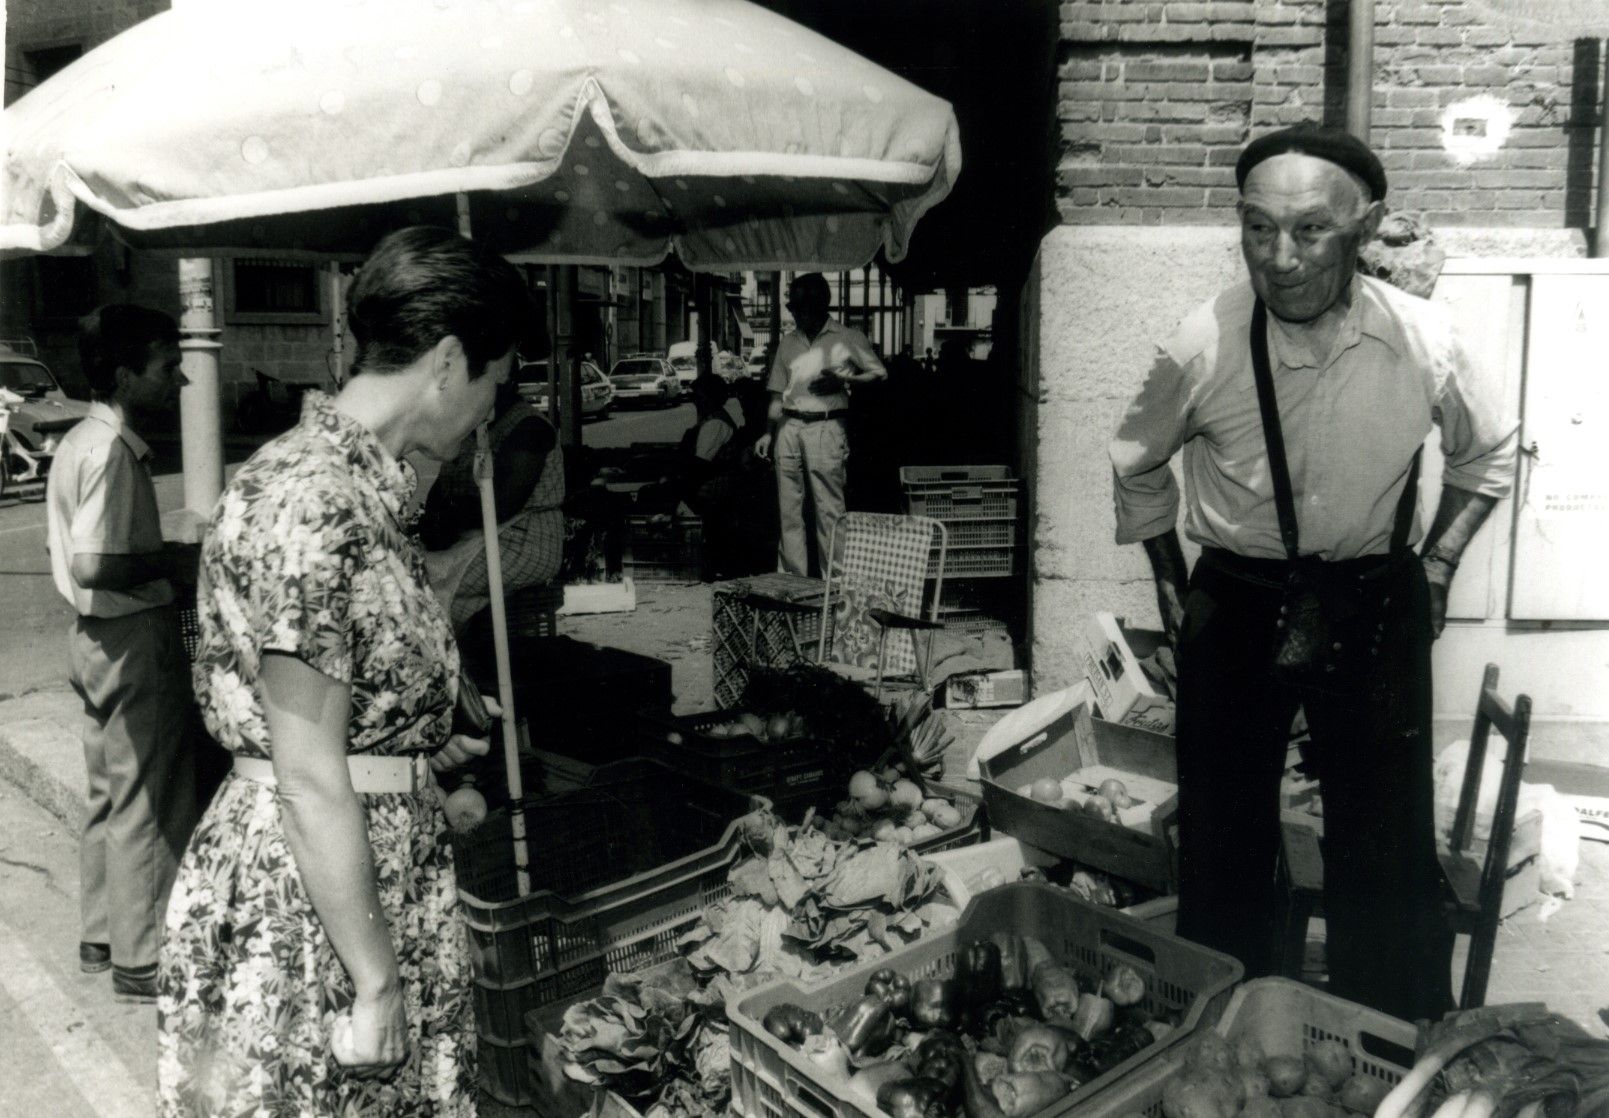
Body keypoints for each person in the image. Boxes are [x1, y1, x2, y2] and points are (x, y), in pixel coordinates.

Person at [1109, 124, 1517, 1022]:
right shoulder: (1200, 341)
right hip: (1238, 596)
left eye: (1310, 231)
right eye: (1257, 230)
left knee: (1383, 837)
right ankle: (1221, 1023)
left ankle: (1387, 1034)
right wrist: (1174, 589)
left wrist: (1438, 565)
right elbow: (1136, 462)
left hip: (1373, 596)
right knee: (1221, 834)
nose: (1280, 259)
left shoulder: (1423, 339)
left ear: (1363, 229)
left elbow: (1487, 456)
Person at [157, 226, 527, 1116]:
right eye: (493, 380)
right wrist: (375, 982)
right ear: (447, 360)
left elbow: (347, 702)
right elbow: (310, 775)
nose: (490, 410)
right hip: (316, 908)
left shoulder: (361, 488)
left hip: (359, 875)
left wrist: (427, 730)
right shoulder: (315, 497)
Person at [44, 304, 199, 1001]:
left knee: (109, 792)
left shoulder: (80, 441)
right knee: (149, 794)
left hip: (92, 640)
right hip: (132, 633)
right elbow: (95, 564)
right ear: (125, 373)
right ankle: (145, 957)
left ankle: (102, 934)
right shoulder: (112, 451)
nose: (182, 379)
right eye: (168, 367)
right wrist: (173, 558)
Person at [756, 273, 886, 575]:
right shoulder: (788, 342)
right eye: (793, 308)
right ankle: (793, 584)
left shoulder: (847, 337)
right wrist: (768, 432)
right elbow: (777, 391)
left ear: (819, 306)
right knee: (789, 513)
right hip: (789, 427)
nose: (795, 314)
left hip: (826, 429)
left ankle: (835, 587)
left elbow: (879, 373)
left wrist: (845, 381)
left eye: (800, 308)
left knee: (829, 513)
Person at [418, 372, 564, 634]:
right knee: (417, 578)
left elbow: (502, 504)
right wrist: (433, 521)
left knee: (423, 583)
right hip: (472, 537)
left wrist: (448, 521)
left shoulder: (529, 428)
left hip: (521, 542)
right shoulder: (472, 427)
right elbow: (440, 490)